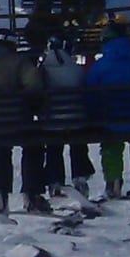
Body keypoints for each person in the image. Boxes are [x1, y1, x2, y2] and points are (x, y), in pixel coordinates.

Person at [0, 34, 52, 214]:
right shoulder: (20, 63)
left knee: (0, 149)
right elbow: (35, 86)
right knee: (34, 146)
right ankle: (32, 195)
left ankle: (0, 195)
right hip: (21, 122)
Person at [84, 19, 130, 198]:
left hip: (111, 120)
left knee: (111, 145)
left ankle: (113, 181)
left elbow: (91, 95)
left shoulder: (100, 66)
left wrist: (94, 117)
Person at [40, 35, 96, 198]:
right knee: (78, 143)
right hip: (76, 119)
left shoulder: (43, 70)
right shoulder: (77, 70)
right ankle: (80, 177)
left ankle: (54, 181)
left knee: (53, 147)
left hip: (52, 122)